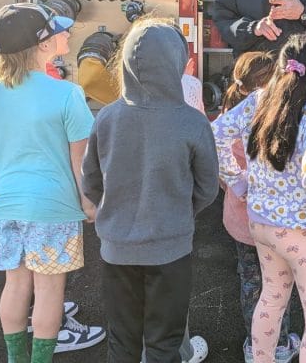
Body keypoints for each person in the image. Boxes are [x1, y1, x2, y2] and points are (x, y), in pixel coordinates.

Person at [81, 20, 220, 363]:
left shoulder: (107, 117)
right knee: (164, 344)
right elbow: (207, 187)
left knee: (122, 341)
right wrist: (179, 211)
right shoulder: (191, 121)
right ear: (176, 63)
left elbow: (91, 181)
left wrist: (113, 208)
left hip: (117, 250)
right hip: (170, 250)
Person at [0, 3, 99, 363]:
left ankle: (16, 359)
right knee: (48, 290)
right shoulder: (67, 94)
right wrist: (88, 202)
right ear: (42, 44)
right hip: (52, 208)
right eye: (58, 29)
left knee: (16, 284)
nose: (66, 33)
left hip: (4, 204)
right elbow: (81, 161)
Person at [212, 34, 306, 363]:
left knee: (271, 298)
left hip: (261, 225)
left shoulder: (258, 100)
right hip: (301, 232)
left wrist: (236, 182)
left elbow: (216, 134)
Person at [219, 50, 303, 363]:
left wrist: (235, 184)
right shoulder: (275, 117)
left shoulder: (230, 112)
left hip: (241, 220)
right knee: (279, 283)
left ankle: (256, 347)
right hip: (275, 221)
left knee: (251, 281)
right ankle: (280, 344)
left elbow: (219, 156)